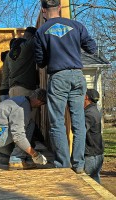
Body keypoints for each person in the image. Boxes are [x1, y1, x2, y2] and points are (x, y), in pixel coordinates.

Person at [34, 0, 97, 173]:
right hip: (77, 76)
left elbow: (40, 62)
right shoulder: (77, 26)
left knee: (57, 124)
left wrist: (52, 54)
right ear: (60, 7)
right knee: (78, 122)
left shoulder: (41, 31)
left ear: (44, 10)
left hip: (58, 77)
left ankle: (63, 164)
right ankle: (79, 164)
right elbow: (92, 48)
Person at [0, 88, 47, 170]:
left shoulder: (19, 100)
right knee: (30, 124)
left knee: (9, 158)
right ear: (39, 101)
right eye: (41, 104)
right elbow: (18, 136)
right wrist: (35, 154)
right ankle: (17, 160)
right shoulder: (22, 107)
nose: (39, 107)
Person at [84, 89, 104, 183]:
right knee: (95, 179)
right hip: (96, 152)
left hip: (92, 154)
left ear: (86, 97)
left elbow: (81, 130)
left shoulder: (89, 114)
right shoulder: (94, 110)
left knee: (91, 183)